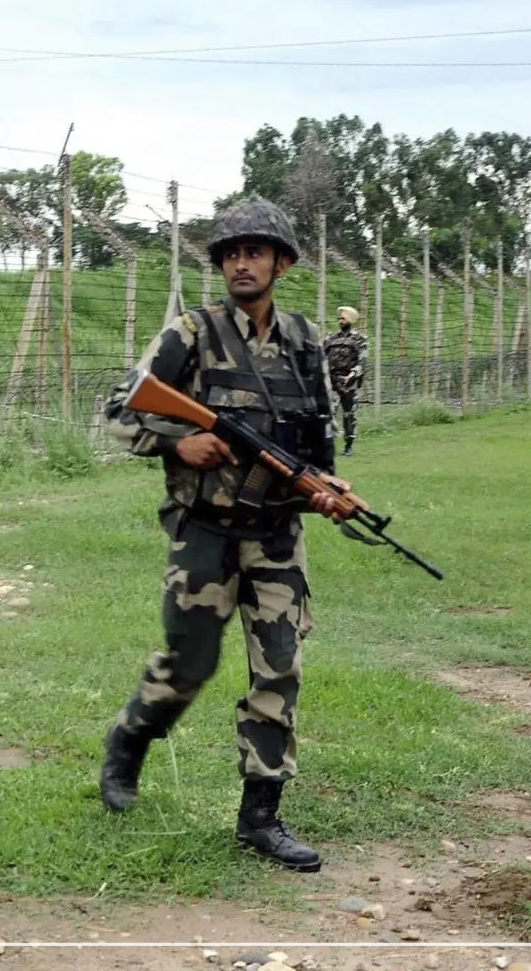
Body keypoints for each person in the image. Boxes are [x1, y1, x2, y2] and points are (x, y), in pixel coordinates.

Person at [95, 196, 355, 874]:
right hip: (203, 532)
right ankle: (130, 740)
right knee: (191, 664)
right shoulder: (190, 332)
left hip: (275, 535)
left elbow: (318, 447)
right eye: (232, 253)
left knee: (280, 666)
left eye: (255, 252)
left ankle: (260, 818)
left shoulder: (305, 343)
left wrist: (328, 491)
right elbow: (120, 416)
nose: (242, 263)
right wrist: (180, 443)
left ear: (282, 263)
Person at [324, 305, 368, 456]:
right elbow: (321, 357)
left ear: (351, 319)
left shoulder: (360, 339)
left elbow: (362, 361)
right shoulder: (330, 338)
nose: (340, 320)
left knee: (349, 415)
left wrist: (352, 375)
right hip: (332, 381)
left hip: (350, 383)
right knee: (328, 413)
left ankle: (348, 445)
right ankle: (326, 445)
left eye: (343, 317)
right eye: (339, 318)